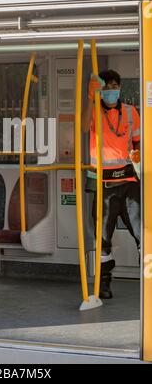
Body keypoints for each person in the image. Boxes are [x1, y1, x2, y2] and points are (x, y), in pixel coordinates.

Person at [82, 70, 140, 299]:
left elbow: (137, 142)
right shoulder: (94, 110)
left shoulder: (130, 112)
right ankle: (104, 282)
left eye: (114, 85)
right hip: (104, 183)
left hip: (128, 181)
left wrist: (138, 156)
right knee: (103, 237)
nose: (111, 90)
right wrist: (89, 98)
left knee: (142, 232)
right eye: (106, 87)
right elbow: (85, 127)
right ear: (100, 89)